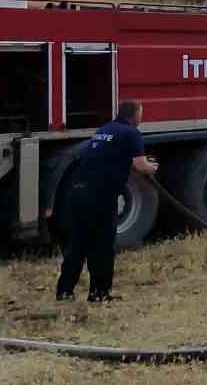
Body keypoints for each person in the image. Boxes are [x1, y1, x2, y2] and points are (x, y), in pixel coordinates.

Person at [55, 100, 158, 303]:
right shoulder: (131, 133)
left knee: (78, 243)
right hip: (100, 196)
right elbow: (140, 164)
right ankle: (99, 293)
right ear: (134, 115)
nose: (142, 117)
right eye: (141, 113)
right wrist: (152, 168)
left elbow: (106, 157)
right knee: (102, 245)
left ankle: (64, 291)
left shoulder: (105, 129)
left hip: (78, 192)